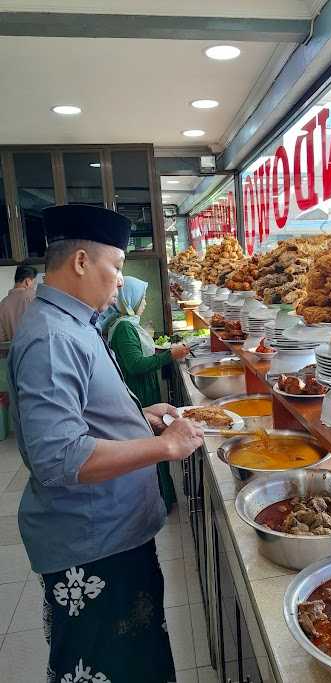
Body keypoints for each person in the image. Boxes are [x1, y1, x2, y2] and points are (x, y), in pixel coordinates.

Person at [8, 204, 204, 683]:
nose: (119, 281)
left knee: (136, 659)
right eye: (115, 266)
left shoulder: (74, 322)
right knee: (107, 667)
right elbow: (60, 457)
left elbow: (80, 415)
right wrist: (164, 448)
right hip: (93, 543)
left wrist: (140, 418)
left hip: (112, 533)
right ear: (80, 261)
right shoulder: (53, 337)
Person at [107, 275, 189, 511]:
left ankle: (165, 495)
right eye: (142, 298)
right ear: (130, 300)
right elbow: (135, 365)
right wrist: (168, 356)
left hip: (146, 388)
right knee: (152, 443)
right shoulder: (123, 327)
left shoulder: (129, 323)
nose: (145, 302)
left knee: (154, 441)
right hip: (139, 390)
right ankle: (161, 498)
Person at [0, 264, 38, 341]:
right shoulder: (34, 297)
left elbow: (2, 338)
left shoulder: (2, 304)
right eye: (34, 283)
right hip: (34, 350)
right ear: (27, 281)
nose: (34, 286)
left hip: (12, 352)